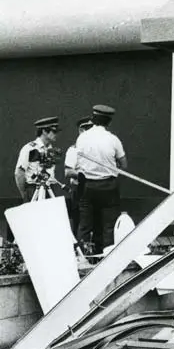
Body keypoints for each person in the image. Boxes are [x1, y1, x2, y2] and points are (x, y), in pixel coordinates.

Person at [76, 105, 127, 254]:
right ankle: (107, 257)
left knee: (85, 225)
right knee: (109, 226)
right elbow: (124, 165)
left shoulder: (82, 137)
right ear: (108, 122)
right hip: (108, 186)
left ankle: (82, 258)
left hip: (87, 185)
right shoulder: (113, 139)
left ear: (93, 119)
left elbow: (78, 160)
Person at [14, 116, 61, 202]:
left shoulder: (51, 149)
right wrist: (24, 194)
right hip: (34, 189)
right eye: (54, 132)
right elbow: (19, 173)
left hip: (50, 188)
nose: (56, 135)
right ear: (44, 131)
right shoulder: (29, 148)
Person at [64, 116, 93, 234]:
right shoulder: (74, 149)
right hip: (80, 189)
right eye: (89, 129)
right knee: (81, 223)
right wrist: (84, 175)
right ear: (82, 130)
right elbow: (68, 172)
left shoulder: (95, 148)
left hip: (95, 188)